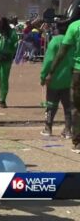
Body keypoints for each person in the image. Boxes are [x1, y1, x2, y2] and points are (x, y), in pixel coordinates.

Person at [46, 19, 80, 153]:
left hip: (78, 72)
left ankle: (78, 142)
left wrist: (51, 71)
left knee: (77, 108)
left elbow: (62, 52)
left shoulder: (75, 26)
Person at [40, 23, 73, 138]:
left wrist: (43, 77)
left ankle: (48, 128)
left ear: (57, 29)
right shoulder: (72, 42)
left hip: (53, 80)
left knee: (50, 106)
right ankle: (68, 130)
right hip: (69, 80)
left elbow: (48, 61)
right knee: (68, 107)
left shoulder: (54, 42)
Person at [0, 17, 18, 108]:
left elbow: (15, 45)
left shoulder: (11, 33)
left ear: (4, 23)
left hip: (6, 60)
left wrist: (9, 52)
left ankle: (2, 100)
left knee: (4, 80)